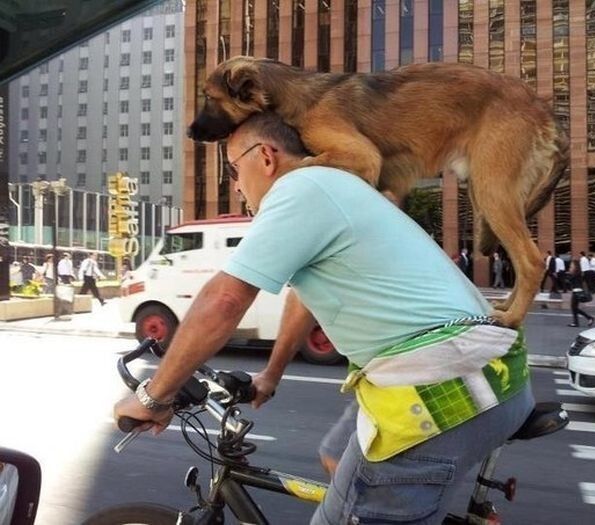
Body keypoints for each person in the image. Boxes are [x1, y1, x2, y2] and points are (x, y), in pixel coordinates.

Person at [113, 112, 535, 525]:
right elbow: (305, 297)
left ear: (266, 157)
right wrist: (271, 374)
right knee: (337, 455)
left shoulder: (298, 189)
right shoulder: (330, 186)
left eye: (234, 169)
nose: (236, 185)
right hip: (479, 373)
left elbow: (225, 298)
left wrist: (154, 397)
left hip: (442, 389)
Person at [567, 260, 594, 328]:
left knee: (573, 307)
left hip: (577, 292)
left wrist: (569, 273)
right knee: (574, 307)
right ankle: (587, 318)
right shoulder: (576, 273)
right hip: (576, 291)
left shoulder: (577, 273)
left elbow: (570, 280)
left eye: (572, 265)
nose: (571, 266)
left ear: (576, 266)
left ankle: (584, 320)